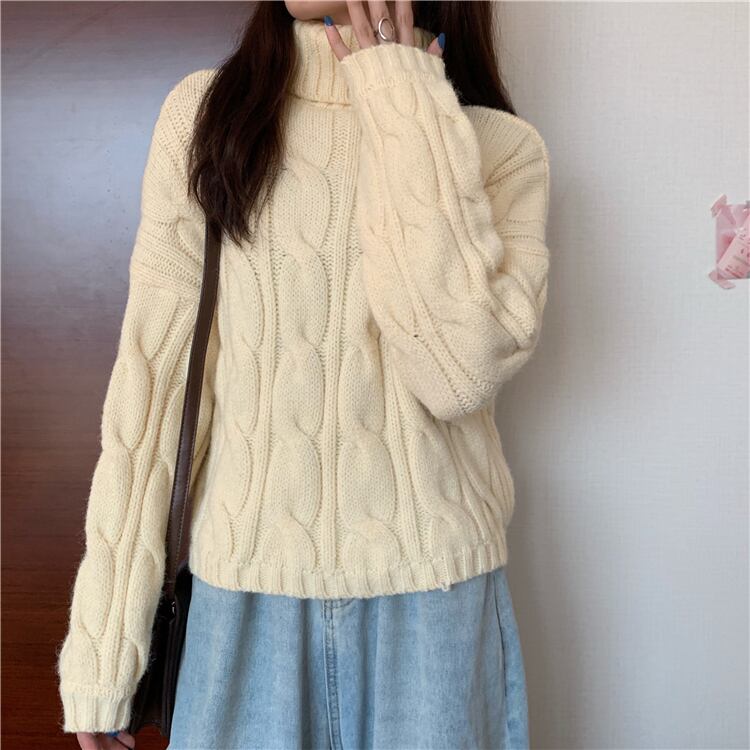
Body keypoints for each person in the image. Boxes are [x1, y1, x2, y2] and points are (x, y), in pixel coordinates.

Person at [55, 1, 551, 748]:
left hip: (433, 612)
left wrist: (398, 88)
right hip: (242, 606)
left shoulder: (500, 148)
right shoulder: (209, 118)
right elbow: (153, 391)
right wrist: (104, 650)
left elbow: (458, 373)